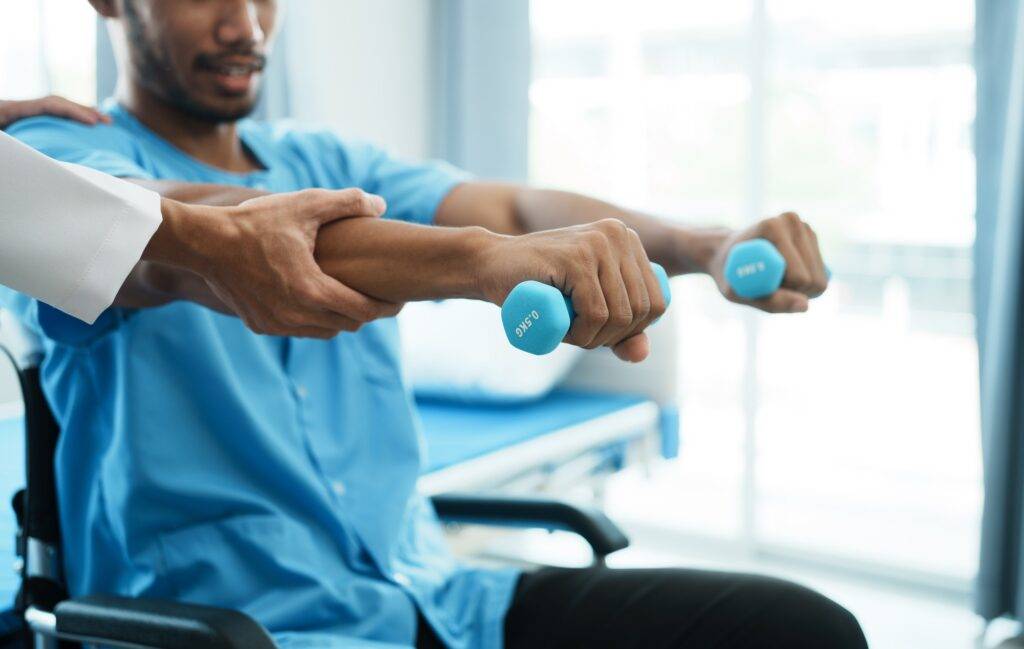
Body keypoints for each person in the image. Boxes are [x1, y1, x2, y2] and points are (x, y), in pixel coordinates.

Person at [1, 1, 865, 648]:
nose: (245, 23)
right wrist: (484, 263)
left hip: (435, 600)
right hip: (248, 628)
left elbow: (512, 201)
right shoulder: (60, 158)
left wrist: (705, 246)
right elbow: (210, 236)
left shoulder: (328, 159)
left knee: (795, 629)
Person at [1, 96, 399, 335]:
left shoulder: (321, 150)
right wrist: (212, 238)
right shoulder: (51, 138)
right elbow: (138, 258)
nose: (246, 29)